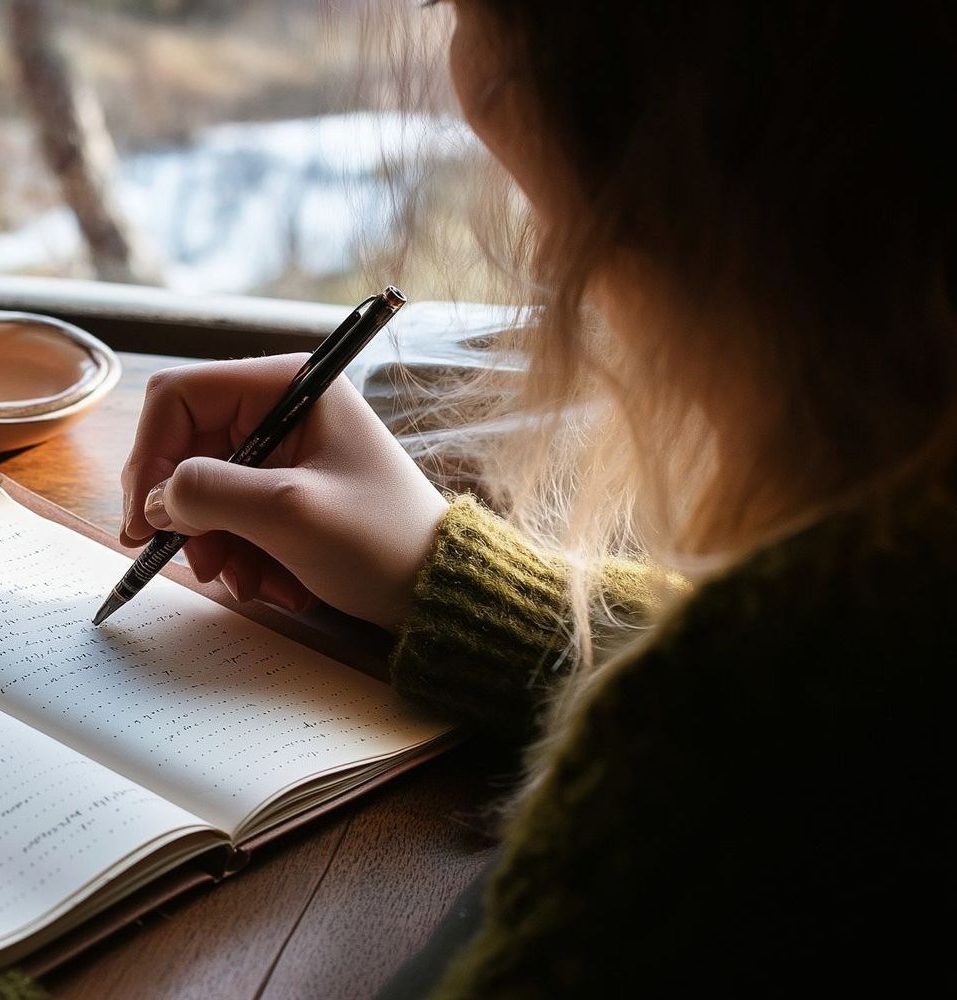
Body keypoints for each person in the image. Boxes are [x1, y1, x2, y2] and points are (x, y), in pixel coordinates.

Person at [118, 1, 952, 995]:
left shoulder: (741, 753)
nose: (469, 86)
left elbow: (788, 728)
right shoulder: (855, 632)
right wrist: (447, 574)